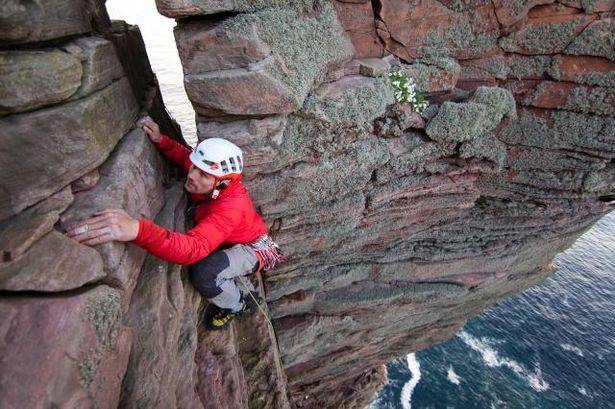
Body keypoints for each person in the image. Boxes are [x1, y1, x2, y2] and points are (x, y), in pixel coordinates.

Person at [67, 117, 283, 330]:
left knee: (205, 272)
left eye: (202, 175)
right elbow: (185, 157)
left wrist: (137, 230)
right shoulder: (212, 174)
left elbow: (193, 249)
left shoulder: (230, 207)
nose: (192, 176)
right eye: (194, 168)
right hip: (232, 234)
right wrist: (162, 140)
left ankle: (238, 304)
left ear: (223, 183)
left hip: (254, 248)